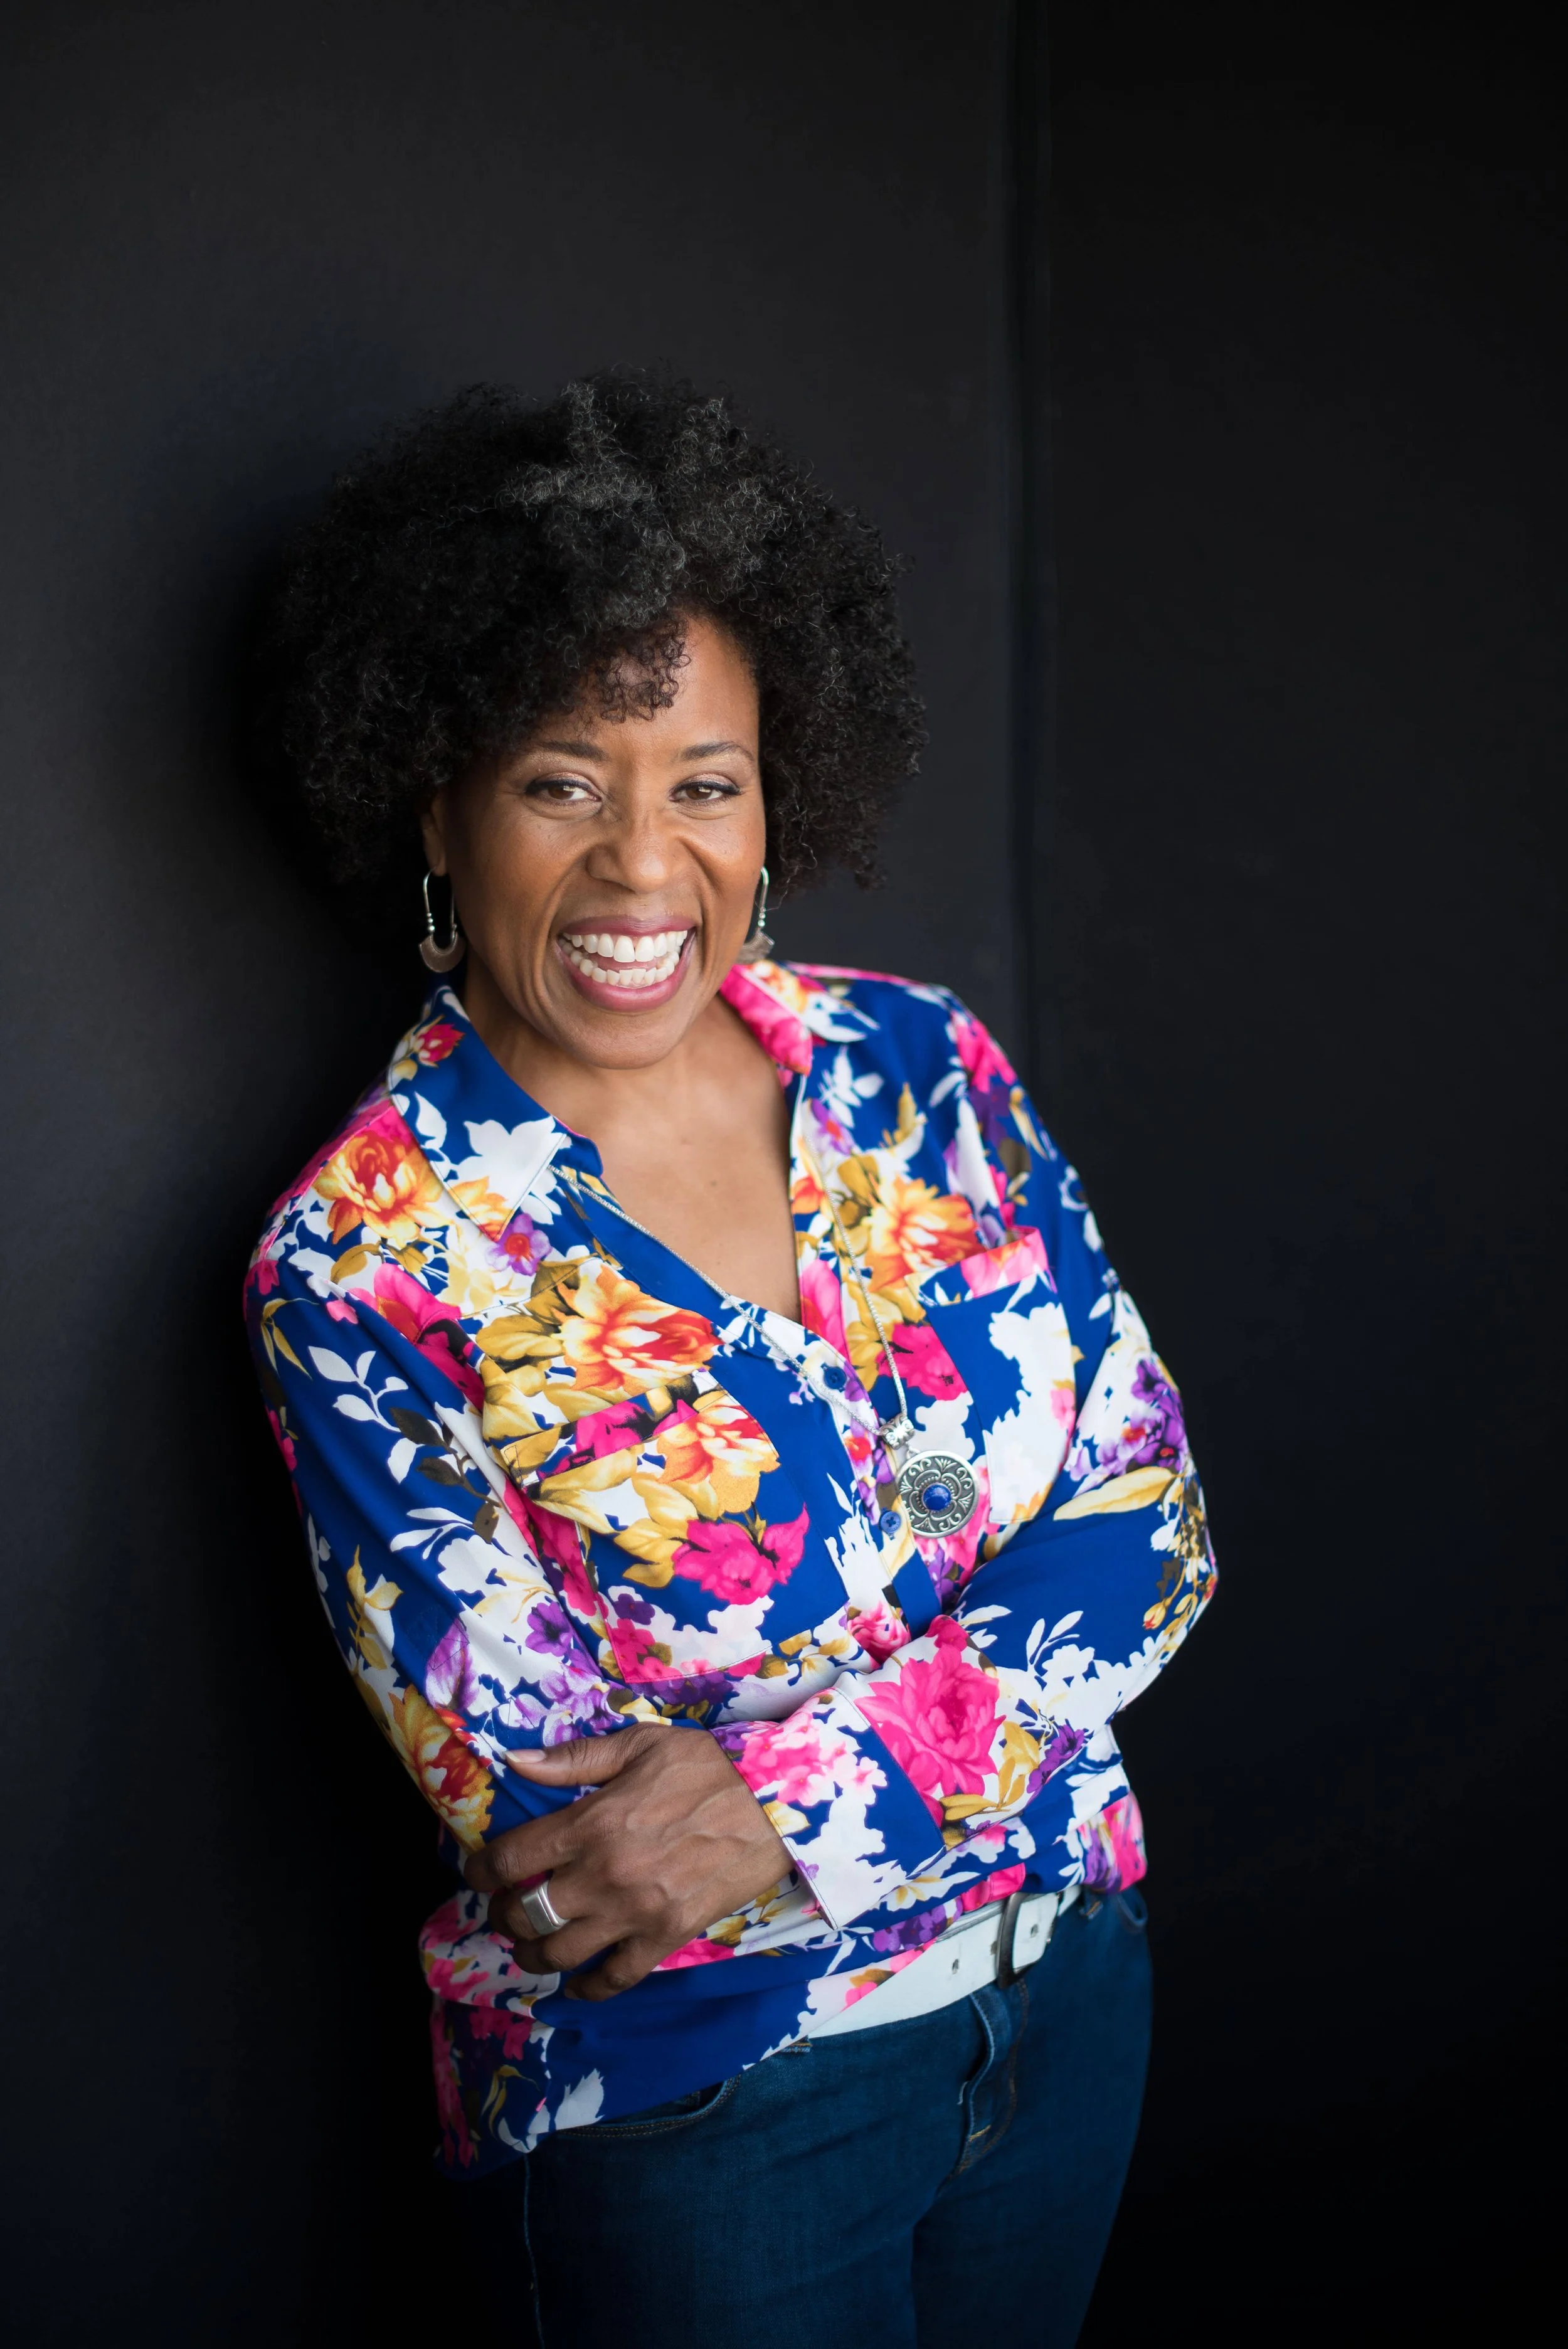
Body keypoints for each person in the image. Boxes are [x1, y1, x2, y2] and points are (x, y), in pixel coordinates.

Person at [246, 373, 1216, 2347]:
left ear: (779, 799)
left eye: (703, 779)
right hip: (710, 2109)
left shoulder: (919, 1069)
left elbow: (1155, 1527)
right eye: (557, 781)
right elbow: (570, 1841)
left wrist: (778, 1794)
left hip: (1064, 1999)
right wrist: (986, 1707)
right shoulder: (366, 1261)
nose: (638, 863)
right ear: (433, 801)